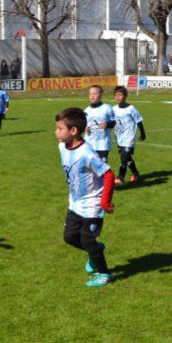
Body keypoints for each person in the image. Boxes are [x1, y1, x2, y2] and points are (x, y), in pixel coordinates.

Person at [54, 107, 116, 288]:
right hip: (75, 203)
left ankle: (104, 274)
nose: (56, 131)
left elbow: (109, 175)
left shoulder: (87, 153)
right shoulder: (61, 146)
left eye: (59, 128)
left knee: (87, 239)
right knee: (70, 238)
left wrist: (105, 202)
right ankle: (95, 250)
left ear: (73, 131)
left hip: (93, 204)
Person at [112, 86, 146, 184]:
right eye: (116, 95)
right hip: (119, 137)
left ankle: (120, 177)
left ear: (125, 96)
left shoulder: (131, 109)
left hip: (129, 136)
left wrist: (143, 133)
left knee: (124, 157)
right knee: (127, 158)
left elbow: (139, 121)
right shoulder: (113, 109)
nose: (118, 97)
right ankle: (136, 174)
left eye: (120, 95)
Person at [84, 85, 115, 160]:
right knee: (90, 168)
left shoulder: (107, 108)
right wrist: (85, 128)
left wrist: (107, 124)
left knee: (102, 168)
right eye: (90, 94)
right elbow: (84, 125)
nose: (92, 96)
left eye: (94, 94)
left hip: (103, 144)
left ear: (101, 95)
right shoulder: (86, 110)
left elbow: (114, 121)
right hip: (89, 143)